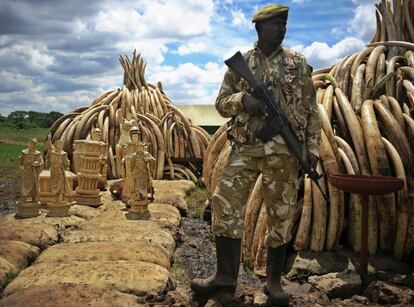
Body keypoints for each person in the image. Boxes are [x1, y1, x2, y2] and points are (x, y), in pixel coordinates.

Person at [191, 4, 321, 306]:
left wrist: (311, 150)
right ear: (259, 28)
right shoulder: (242, 63)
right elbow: (221, 103)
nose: (282, 28)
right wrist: (243, 99)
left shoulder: (297, 63)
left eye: (284, 24)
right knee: (224, 203)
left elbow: (311, 110)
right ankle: (225, 276)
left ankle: (273, 283)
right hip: (246, 147)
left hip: (283, 152)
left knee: (281, 214)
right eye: (276, 23)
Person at [20, 138, 43, 202]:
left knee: (34, 185)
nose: (30, 145)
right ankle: (24, 198)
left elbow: (41, 162)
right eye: (29, 143)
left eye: (32, 144)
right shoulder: (24, 152)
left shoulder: (37, 153)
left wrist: (37, 163)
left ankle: (34, 198)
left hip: (33, 172)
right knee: (25, 185)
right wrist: (21, 167)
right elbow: (21, 162)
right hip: (26, 172)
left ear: (34, 145)